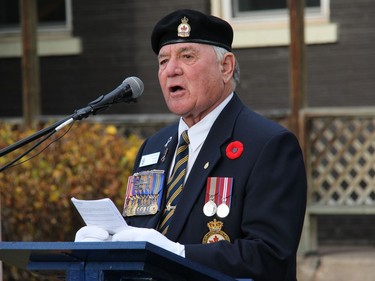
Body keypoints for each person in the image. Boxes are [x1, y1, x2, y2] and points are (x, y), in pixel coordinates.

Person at [75, 9, 307, 281]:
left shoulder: (268, 145)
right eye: (163, 61)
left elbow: (270, 257)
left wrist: (179, 254)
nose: (171, 70)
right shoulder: (153, 147)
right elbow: (141, 232)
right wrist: (107, 246)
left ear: (225, 67)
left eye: (187, 56)